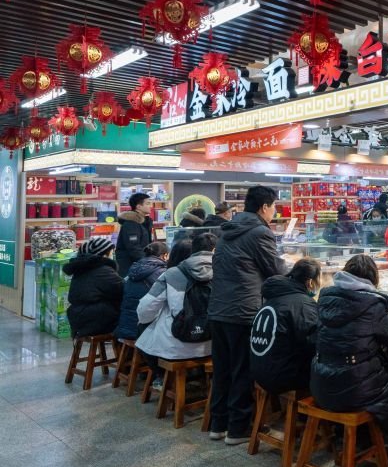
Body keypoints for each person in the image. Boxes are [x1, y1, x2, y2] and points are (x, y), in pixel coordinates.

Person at [208, 185, 285, 445]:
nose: (274, 212)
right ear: (264, 207)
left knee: (222, 369)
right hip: (242, 310)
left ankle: (218, 424)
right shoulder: (260, 232)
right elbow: (275, 270)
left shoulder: (228, 229)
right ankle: (238, 429)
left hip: (218, 308)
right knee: (242, 369)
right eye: (274, 207)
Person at [311, 255, 388, 438]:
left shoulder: (324, 298)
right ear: (373, 277)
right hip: (354, 392)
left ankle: (348, 434)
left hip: (321, 385)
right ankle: (374, 438)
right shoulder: (373, 303)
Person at [136, 234, 217, 388]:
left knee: (146, 330)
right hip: (213, 346)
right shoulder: (224, 272)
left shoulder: (171, 274)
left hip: (176, 347)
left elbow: (146, 308)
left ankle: (161, 378)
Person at [249, 258, 321, 396]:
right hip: (282, 377)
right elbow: (315, 343)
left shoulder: (272, 298)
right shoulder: (303, 304)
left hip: (258, 371)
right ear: (310, 282)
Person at [65, 238, 124, 338]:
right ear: (103, 254)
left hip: (77, 317)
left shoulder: (81, 268)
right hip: (95, 320)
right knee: (128, 314)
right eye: (110, 252)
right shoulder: (103, 270)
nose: (112, 255)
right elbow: (121, 289)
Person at [114, 241, 169, 342]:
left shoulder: (132, 270)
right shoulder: (162, 273)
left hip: (125, 328)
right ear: (164, 255)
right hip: (145, 331)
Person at [115, 192, 153, 277]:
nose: (150, 206)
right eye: (147, 203)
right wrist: (148, 262)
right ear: (138, 206)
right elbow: (133, 247)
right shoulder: (131, 223)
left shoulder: (144, 222)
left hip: (139, 265)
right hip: (130, 267)